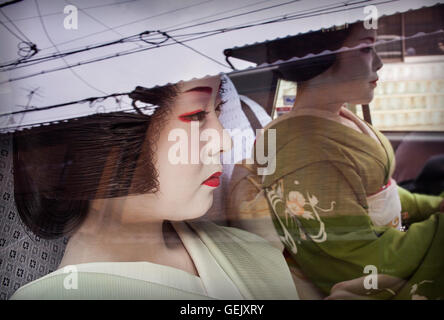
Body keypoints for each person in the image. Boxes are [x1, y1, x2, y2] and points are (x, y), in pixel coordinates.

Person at [9, 76, 298, 300]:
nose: (224, 142)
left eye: (218, 111)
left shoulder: (250, 248)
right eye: (198, 115)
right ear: (108, 137)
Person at [228, 22, 444, 300]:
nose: (378, 63)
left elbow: (377, 191)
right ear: (322, 54)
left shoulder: (338, 118)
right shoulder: (305, 149)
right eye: (366, 48)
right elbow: (357, 261)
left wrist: (434, 206)